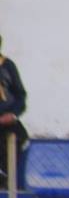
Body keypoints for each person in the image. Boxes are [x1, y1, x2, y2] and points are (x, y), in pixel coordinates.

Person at [0, 34, 29, 189]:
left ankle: (5, 175)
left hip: (6, 120)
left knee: (19, 137)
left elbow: (20, 95)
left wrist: (13, 114)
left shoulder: (8, 66)